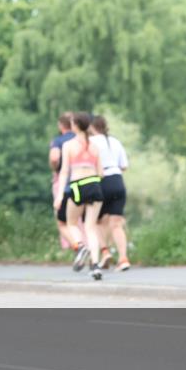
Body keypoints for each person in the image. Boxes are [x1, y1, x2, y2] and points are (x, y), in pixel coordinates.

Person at [54, 112, 104, 280]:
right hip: (95, 185)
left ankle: (80, 246)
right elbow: (101, 173)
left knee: (71, 223)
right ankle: (96, 265)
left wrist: (59, 196)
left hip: (77, 186)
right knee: (91, 227)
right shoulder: (95, 147)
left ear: (75, 125)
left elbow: (64, 172)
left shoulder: (69, 145)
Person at [90, 116, 130, 271]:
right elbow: (124, 165)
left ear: (91, 128)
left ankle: (105, 251)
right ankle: (123, 259)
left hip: (101, 181)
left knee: (95, 222)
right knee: (116, 224)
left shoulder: (91, 143)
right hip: (117, 181)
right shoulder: (115, 141)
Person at [49, 113, 75, 251]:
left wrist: (55, 168)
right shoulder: (81, 139)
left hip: (63, 180)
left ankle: (74, 246)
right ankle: (87, 245)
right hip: (83, 179)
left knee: (62, 218)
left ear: (60, 125)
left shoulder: (58, 141)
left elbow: (54, 158)